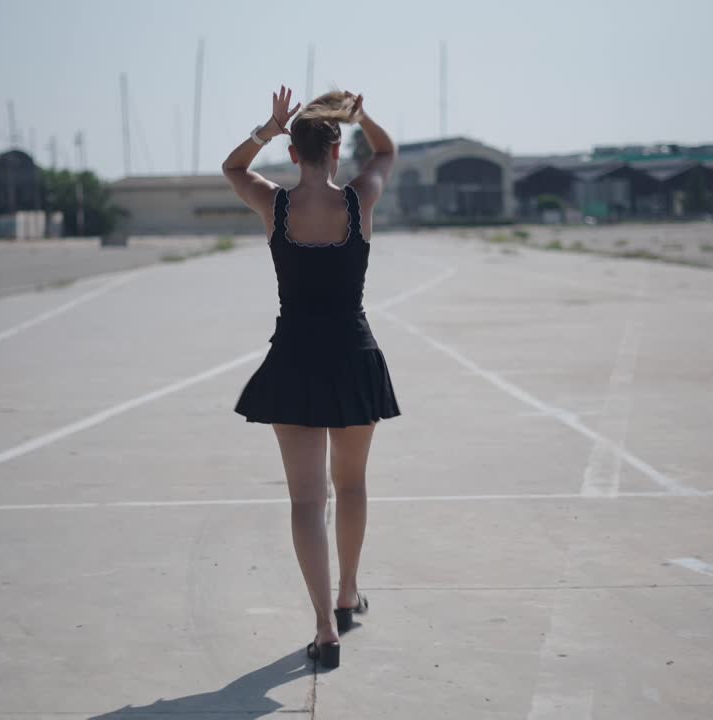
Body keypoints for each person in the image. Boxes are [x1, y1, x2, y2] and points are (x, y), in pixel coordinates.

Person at [221, 87, 398, 670]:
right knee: (350, 486)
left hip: (294, 358)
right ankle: (349, 593)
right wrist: (363, 114)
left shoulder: (273, 204)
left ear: (294, 154)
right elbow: (386, 154)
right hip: (353, 355)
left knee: (305, 500)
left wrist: (267, 127)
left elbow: (232, 167)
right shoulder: (359, 200)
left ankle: (325, 629)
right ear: (337, 148)